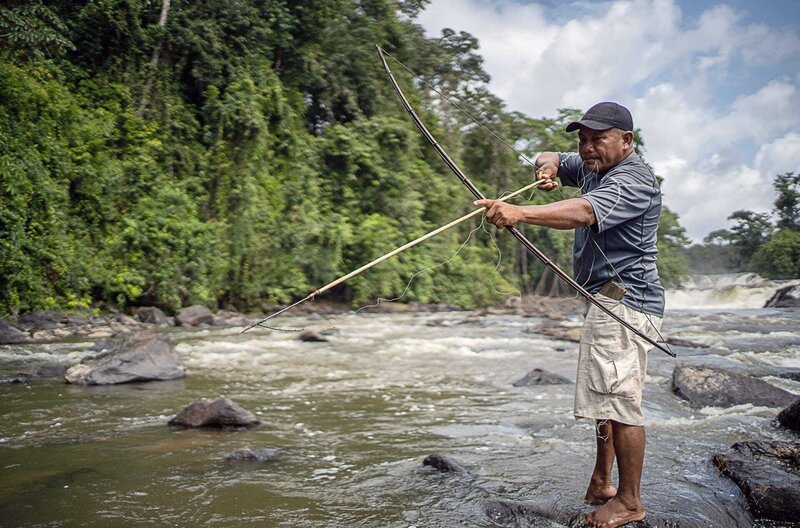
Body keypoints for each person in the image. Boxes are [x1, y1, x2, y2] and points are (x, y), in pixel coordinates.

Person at [473, 101, 665, 528]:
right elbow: (552, 157)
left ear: (626, 141)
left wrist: (520, 212)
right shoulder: (594, 165)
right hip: (607, 301)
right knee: (605, 397)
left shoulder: (634, 179)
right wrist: (548, 170)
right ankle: (602, 481)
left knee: (620, 402)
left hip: (625, 304)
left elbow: (585, 211)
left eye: (598, 138)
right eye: (583, 139)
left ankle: (630, 502)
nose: (588, 147)